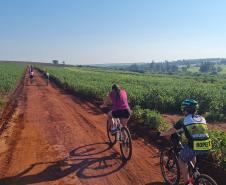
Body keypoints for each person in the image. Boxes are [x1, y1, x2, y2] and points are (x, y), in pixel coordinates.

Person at [160, 99, 212, 185]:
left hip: (194, 146)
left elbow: (172, 130)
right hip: (207, 146)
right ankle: (194, 173)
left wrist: (162, 134)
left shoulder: (184, 120)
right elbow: (196, 129)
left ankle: (188, 183)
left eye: (183, 109)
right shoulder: (202, 118)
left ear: (185, 110)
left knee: (181, 159)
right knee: (192, 152)